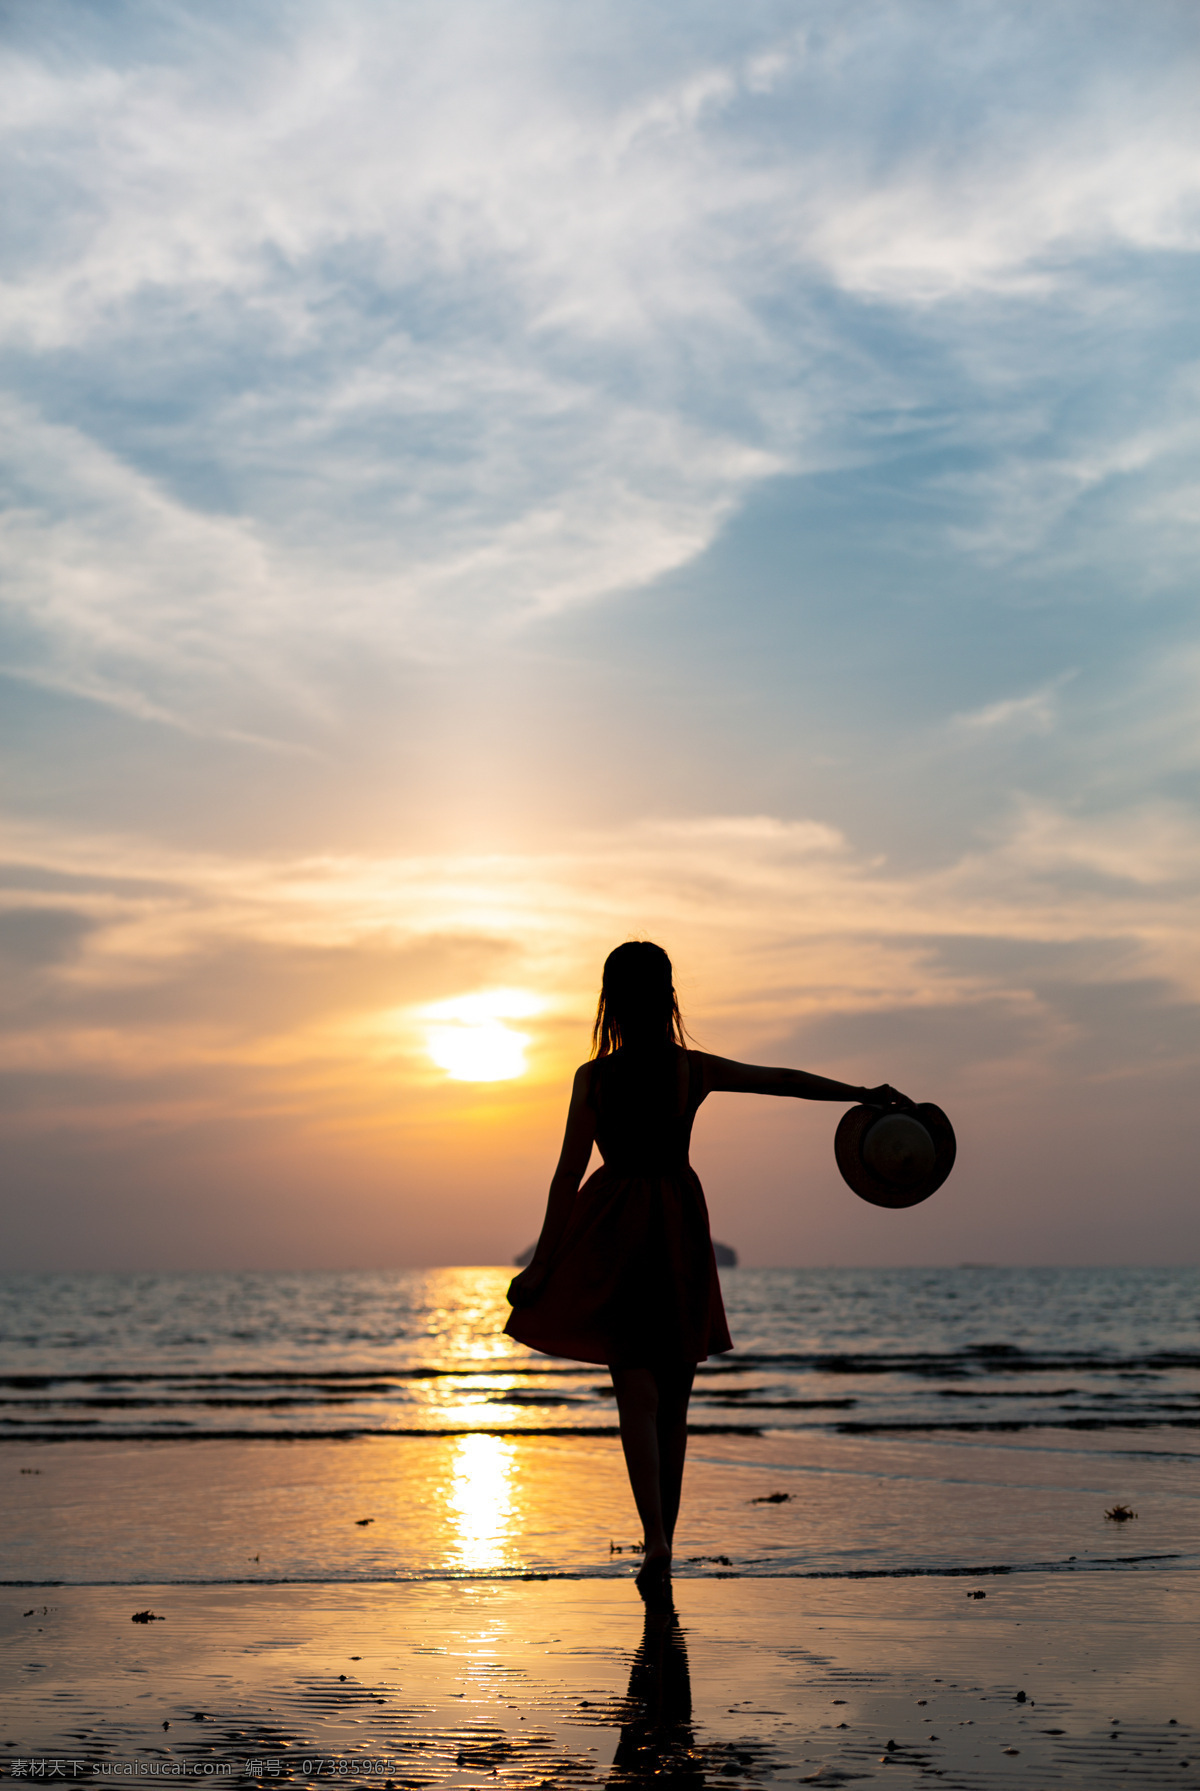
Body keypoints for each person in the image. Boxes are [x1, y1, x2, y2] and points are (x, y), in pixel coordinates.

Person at [504, 940, 911, 1602]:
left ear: (610, 1001)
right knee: (672, 1403)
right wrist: (862, 1094)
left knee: (637, 1395)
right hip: (672, 1225)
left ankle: (657, 1541)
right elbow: (779, 1078)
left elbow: (567, 1175)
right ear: (668, 998)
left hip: (621, 1227)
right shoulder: (685, 1069)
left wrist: (546, 1262)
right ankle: (663, 1541)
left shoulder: (597, 1076)